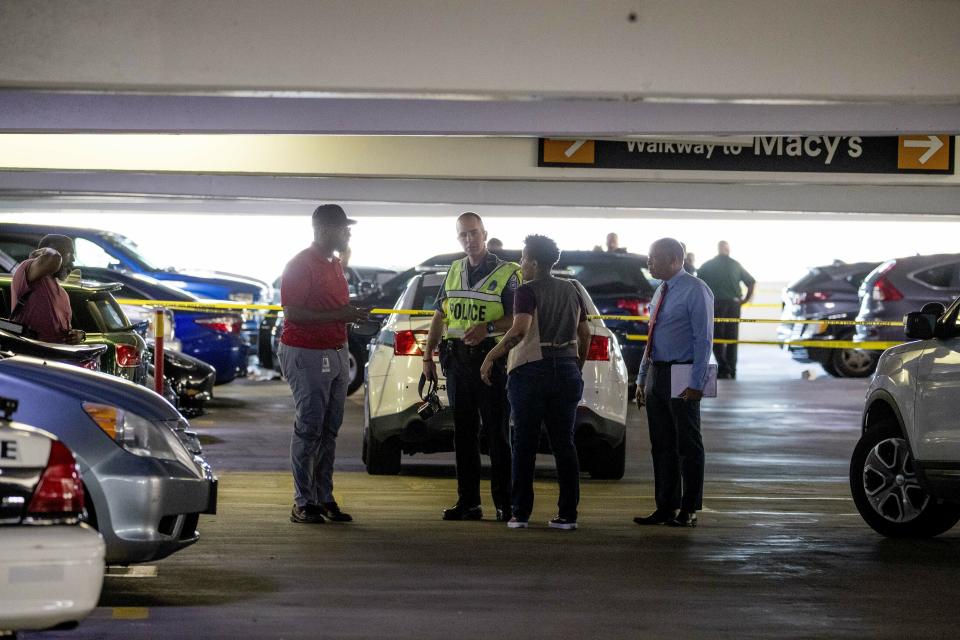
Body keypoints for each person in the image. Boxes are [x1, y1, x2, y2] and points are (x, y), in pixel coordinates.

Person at [479, 235, 591, 530]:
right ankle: (568, 515)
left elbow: (519, 330)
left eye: (524, 258)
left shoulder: (527, 291)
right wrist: (575, 365)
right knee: (563, 444)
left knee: (524, 443)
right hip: (567, 370)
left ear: (535, 263)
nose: (520, 264)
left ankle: (520, 513)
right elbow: (586, 334)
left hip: (531, 372)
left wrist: (491, 356)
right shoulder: (573, 289)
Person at [423, 212, 520, 522]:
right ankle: (469, 502)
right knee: (463, 435)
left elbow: (519, 318)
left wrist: (487, 326)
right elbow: (440, 315)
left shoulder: (508, 273)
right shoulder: (453, 270)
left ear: (485, 233)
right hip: (457, 364)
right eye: (463, 234)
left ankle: (505, 503)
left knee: (497, 435)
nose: (469, 239)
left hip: (491, 362)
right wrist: (427, 356)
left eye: (474, 233)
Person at [279, 204, 368, 525]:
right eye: (344, 228)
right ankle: (303, 502)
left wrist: (348, 312)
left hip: (336, 349)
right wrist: (339, 315)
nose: (348, 233)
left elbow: (331, 306)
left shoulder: (333, 264)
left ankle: (323, 496)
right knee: (309, 427)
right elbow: (293, 314)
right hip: (306, 352)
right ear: (326, 229)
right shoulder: (301, 265)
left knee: (329, 430)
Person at [634, 238, 714, 528]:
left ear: (673, 259)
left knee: (687, 444)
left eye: (653, 258)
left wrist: (697, 382)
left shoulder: (696, 290)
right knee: (662, 445)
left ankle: (689, 509)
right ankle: (665, 507)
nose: (648, 262)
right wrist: (643, 379)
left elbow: (703, 339)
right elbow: (652, 337)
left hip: (684, 371)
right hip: (658, 372)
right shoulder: (661, 290)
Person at [696, 241, 755, 379]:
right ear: (728, 249)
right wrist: (744, 300)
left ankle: (723, 368)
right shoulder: (735, 264)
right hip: (733, 305)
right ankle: (732, 369)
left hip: (714, 305)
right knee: (732, 338)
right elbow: (751, 282)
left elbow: (696, 284)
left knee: (716, 338)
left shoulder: (707, 265)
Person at [10, 234, 85, 344]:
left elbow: (65, 333)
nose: (73, 259)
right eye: (69, 253)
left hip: (55, 358)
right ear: (52, 250)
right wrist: (41, 252)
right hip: (30, 357)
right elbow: (54, 258)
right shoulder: (27, 270)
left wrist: (80, 336)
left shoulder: (63, 294)